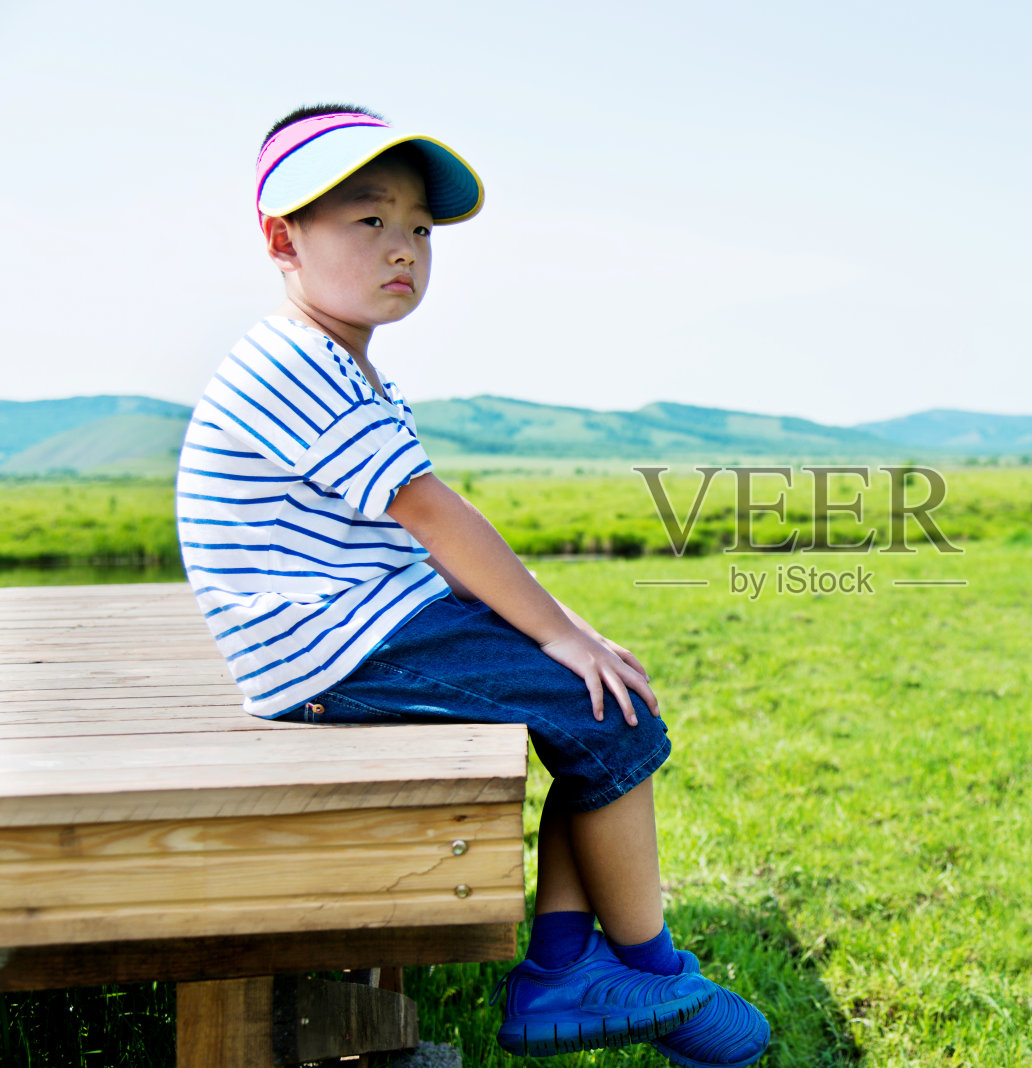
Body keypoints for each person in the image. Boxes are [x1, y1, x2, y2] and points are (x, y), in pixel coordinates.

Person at [175, 103, 769, 1066]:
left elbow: (428, 544)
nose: (402, 248)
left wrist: (568, 627)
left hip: (361, 627)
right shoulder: (297, 362)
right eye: (371, 220)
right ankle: (652, 973)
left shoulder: (342, 367)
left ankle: (567, 964)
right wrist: (560, 636)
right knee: (610, 716)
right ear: (283, 239)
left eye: (420, 229)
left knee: (597, 700)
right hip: (334, 645)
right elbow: (434, 516)